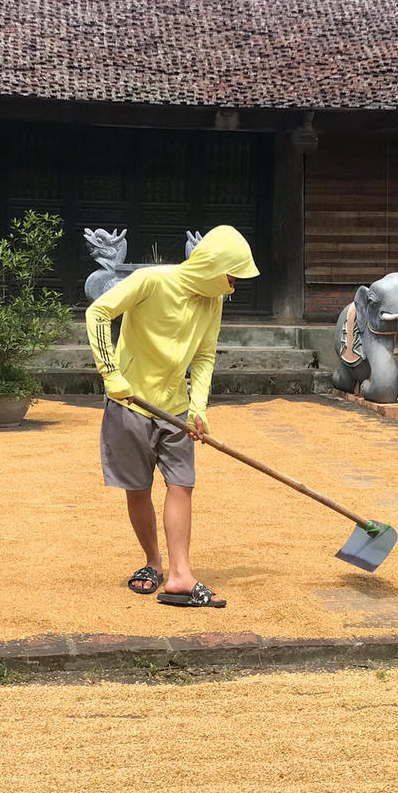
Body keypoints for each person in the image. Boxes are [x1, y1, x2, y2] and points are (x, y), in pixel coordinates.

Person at [85, 225, 259, 608]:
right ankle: (152, 563)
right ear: (213, 268)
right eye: (232, 276)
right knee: (138, 487)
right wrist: (111, 373)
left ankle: (181, 575)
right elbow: (98, 312)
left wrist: (198, 406)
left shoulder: (212, 302)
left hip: (175, 407)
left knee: (182, 484)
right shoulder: (150, 281)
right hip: (130, 402)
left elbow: (204, 355)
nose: (233, 285)